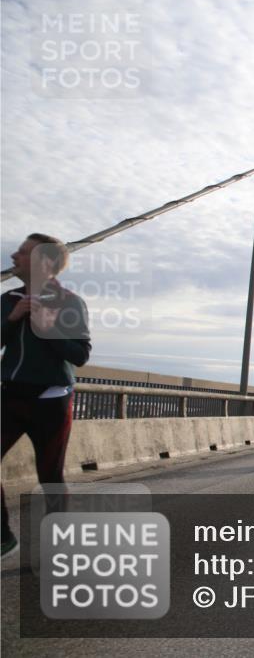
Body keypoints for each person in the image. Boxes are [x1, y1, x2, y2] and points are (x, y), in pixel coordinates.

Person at [2, 234, 91, 557]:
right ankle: (3, 536)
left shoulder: (70, 302)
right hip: (10, 396)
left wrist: (48, 329)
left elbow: (80, 354)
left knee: (50, 477)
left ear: (45, 263)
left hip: (51, 401)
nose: (14, 256)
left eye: (22, 253)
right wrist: (11, 321)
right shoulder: (9, 299)